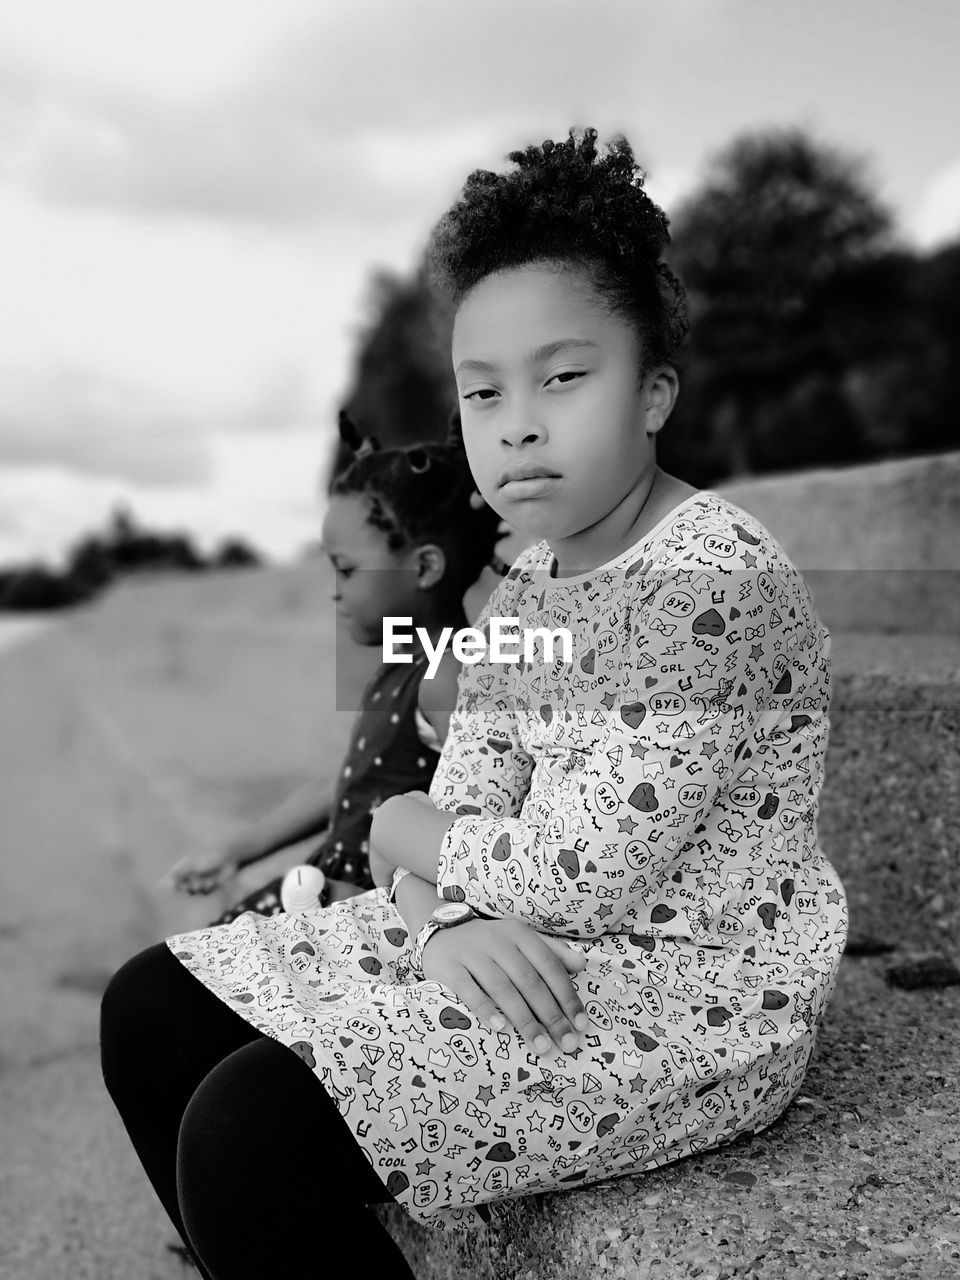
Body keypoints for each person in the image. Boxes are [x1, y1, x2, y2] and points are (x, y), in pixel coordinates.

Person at [101, 128, 847, 1280]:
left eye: (564, 377)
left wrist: (412, 845)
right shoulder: (532, 586)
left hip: (686, 994)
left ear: (653, 392)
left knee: (251, 1127)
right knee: (151, 1002)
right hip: (512, 941)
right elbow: (458, 801)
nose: (520, 424)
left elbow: (576, 869)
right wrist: (434, 904)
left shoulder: (712, 577)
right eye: (483, 392)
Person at [170, 416, 502, 923]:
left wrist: (396, 905)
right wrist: (236, 852)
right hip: (323, 888)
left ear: (425, 567)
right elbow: (351, 784)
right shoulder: (403, 659)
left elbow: (476, 833)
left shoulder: (448, 676)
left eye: (346, 570)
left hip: (375, 918)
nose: (333, 589)